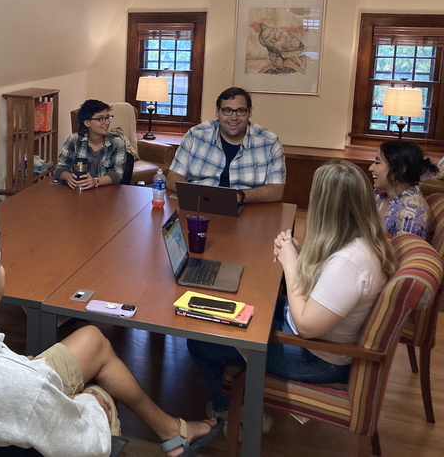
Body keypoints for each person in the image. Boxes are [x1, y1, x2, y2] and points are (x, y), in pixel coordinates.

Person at [0, 213, 223, 457]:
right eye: (0, 263)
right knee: (98, 393)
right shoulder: (25, 387)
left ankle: (170, 431)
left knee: (93, 340)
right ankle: (169, 432)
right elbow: (89, 447)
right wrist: (89, 404)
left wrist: (17, 367)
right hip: (13, 392)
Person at [187, 160, 397, 425]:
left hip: (318, 357)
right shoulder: (359, 241)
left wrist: (289, 263)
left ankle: (230, 415)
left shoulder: (351, 262)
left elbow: (307, 326)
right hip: (315, 338)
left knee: (200, 341)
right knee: (242, 300)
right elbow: (326, 283)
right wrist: (297, 253)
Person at [166, 87, 286, 204]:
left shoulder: (270, 143)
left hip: (246, 205)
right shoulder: (195, 135)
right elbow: (173, 177)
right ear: (217, 112)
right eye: (227, 110)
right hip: (198, 203)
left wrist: (240, 196)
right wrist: (195, 193)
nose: (234, 117)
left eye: (241, 111)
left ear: (250, 112)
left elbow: (276, 190)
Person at [369, 139, 438, 239]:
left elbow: (403, 248)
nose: (371, 168)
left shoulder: (410, 213)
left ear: (400, 170)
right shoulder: (379, 195)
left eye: (377, 162)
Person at [53, 99, 127, 190]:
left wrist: (95, 181)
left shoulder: (117, 142)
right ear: (87, 123)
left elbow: (117, 174)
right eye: (101, 119)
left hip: (106, 192)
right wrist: (68, 177)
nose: (107, 122)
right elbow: (59, 168)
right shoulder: (74, 140)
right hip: (77, 191)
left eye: (108, 117)